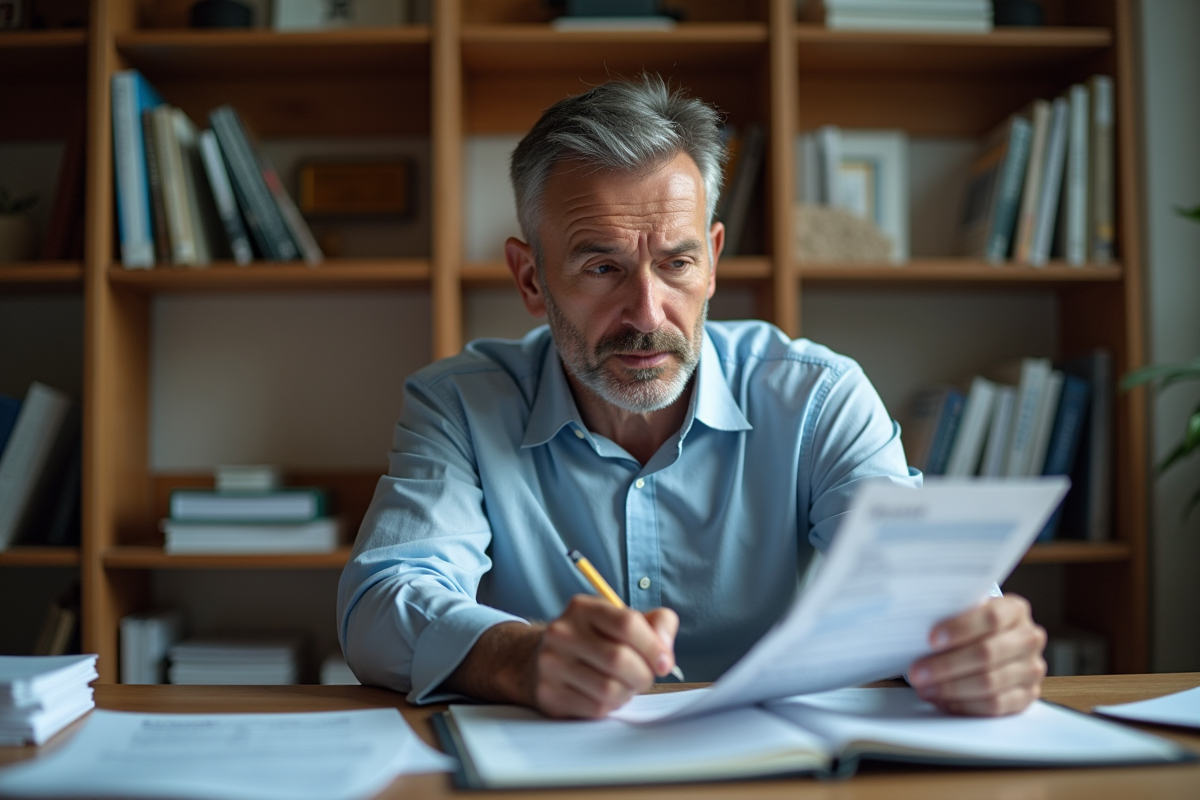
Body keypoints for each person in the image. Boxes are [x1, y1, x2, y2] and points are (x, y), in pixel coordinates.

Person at [337, 75, 1047, 721]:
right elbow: (379, 604)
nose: (647, 314)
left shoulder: (816, 397)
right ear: (530, 279)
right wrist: (518, 658)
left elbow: (919, 582)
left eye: (676, 263)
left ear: (711, 260)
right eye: (602, 267)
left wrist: (977, 639)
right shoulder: (458, 405)